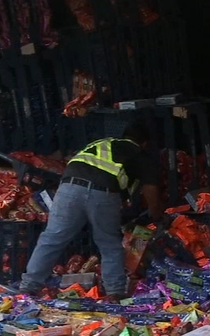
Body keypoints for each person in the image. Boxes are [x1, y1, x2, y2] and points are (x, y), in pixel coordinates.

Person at [20, 120, 163, 300]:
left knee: (52, 238)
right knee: (109, 243)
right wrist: (156, 215)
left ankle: (28, 287)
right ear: (145, 143)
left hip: (68, 188)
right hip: (102, 192)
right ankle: (114, 292)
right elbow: (151, 191)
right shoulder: (139, 154)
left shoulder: (102, 143)